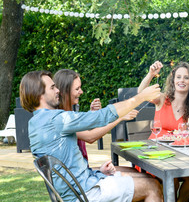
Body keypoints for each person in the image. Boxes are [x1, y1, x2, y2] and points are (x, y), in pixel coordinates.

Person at [20, 70, 163, 202]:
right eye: (52, 87)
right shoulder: (56, 120)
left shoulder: (35, 122)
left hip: (80, 187)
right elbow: (103, 116)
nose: (57, 90)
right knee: (152, 186)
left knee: (144, 180)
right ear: (39, 93)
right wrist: (141, 97)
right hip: (84, 193)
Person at [138, 61, 189, 202]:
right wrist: (151, 74)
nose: (182, 80)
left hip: (181, 156)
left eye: (186, 77)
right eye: (178, 77)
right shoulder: (163, 99)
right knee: (172, 179)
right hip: (156, 154)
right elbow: (141, 93)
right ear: (173, 80)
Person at [53, 69, 139, 174]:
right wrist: (119, 117)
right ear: (64, 92)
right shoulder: (62, 119)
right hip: (78, 177)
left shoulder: (67, 113)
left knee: (133, 171)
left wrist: (92, 113)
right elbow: (90, 137)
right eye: (77, 89)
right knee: (139, 177)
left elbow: (82, 129)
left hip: (81, 171)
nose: (81, 91)